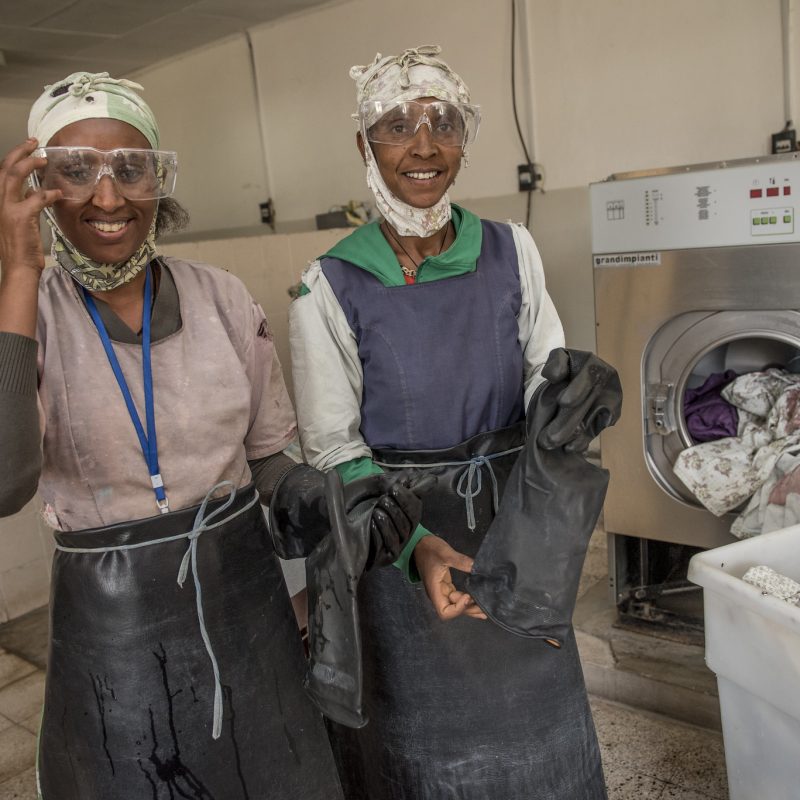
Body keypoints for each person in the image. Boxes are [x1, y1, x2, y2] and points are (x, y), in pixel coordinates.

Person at [0, 71, 423, 800]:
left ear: (157, 181)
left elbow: (267, 461)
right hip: (115, 646)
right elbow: (4, 482)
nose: (108, 197)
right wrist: (17, 268)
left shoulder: (221, 298)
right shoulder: (27, 317)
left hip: (248, 617)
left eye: (131, 169)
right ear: (43, 187)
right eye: (75, 172)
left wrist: (329, 501)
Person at [289, 46, 616, 799]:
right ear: (365, 148)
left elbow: (543, 374)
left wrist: (570, 393)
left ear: (465, 140)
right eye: (396, 126)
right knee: (426, 754)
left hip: (518, 532)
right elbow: (337, 451)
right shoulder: (328, 287)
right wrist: (412, 553)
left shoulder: (513, 249)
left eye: (443, 123)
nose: (424, 145)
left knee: (540, 734)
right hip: (402, 547)